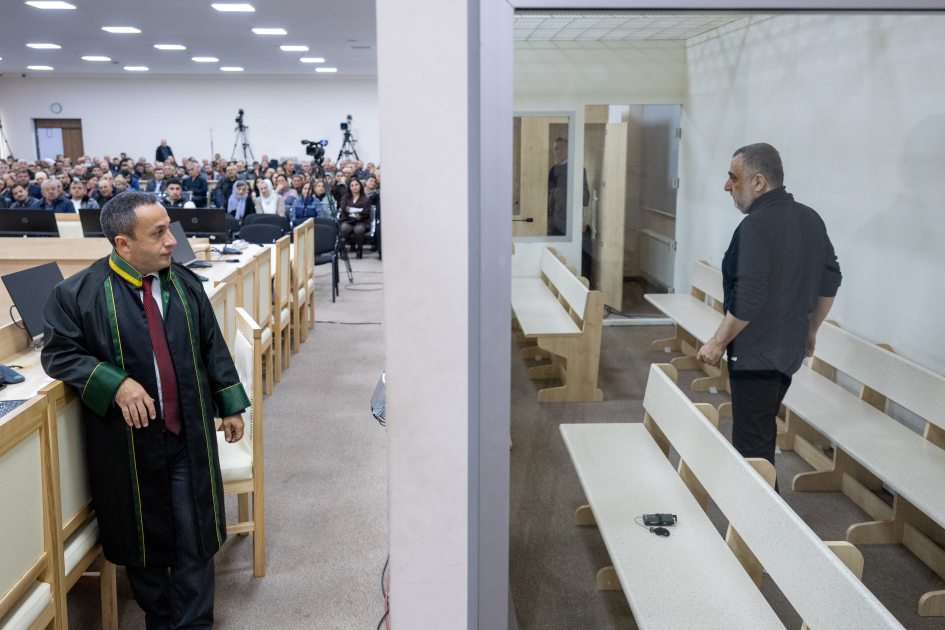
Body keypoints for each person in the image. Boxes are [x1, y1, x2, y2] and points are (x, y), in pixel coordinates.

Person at [41, 191, 248, 630]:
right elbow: (59, 355)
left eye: (169, 227)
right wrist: (114, 382)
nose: (172, 240)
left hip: (187, 433)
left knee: (194, 536)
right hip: (127, 443)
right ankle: (159, 618)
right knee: (141, 537)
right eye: (158, 233)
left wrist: (229, 404)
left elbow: (213, 346)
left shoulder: (184, 283)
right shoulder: (77, 294)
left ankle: (194, 623)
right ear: (123, 244)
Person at [695, 143, 842, 490]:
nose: (727, 186)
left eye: (734, 178)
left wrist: (717, 343)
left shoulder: (755, 228)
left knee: (752, 450)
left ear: (758, 182)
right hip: (787, 351)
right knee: (759, 434)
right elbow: (830, 279)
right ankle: (760, 527)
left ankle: (762, 534)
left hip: (756, 354)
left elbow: (748, 299)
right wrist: (811, 330)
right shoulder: (810, 218)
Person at [339, 178, 371, 259]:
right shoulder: (345, 198)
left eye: (356, 185)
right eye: (352, 185)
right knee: (344, 228)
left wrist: (350, 210)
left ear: (360, 186)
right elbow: (344, 209)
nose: (354, 187)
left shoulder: (366, 199)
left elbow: (365, 212)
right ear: (349, 187)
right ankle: (342, 250)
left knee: (359, 230)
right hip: (347, 221)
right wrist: (358, 211)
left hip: (361, 221)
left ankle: (359, 250)